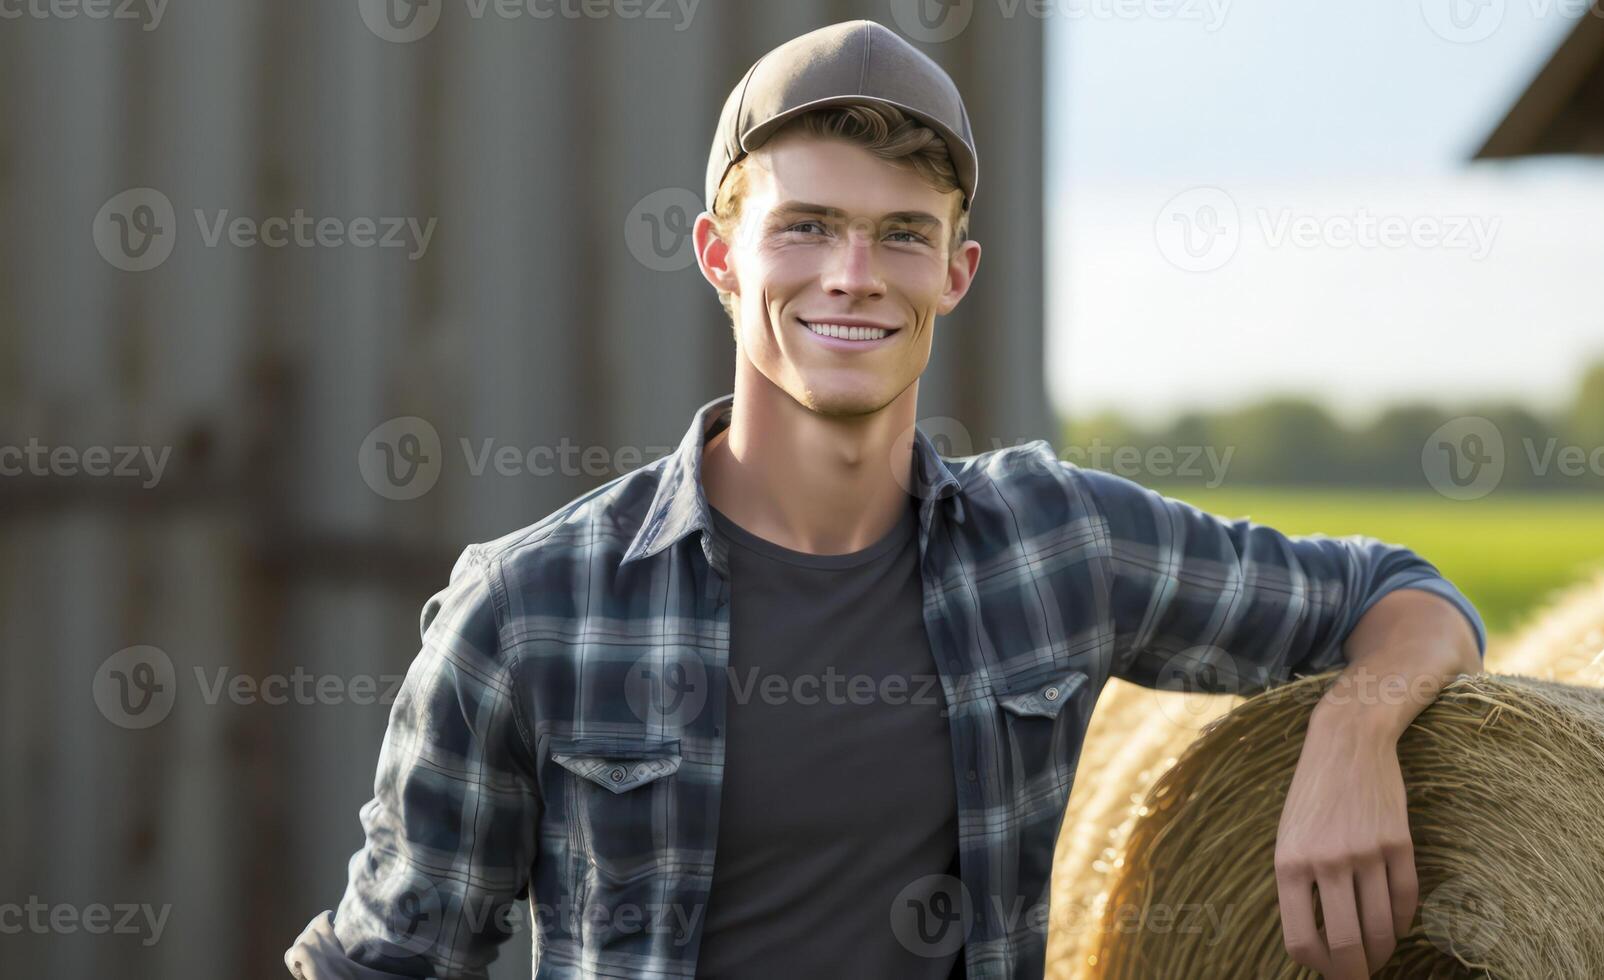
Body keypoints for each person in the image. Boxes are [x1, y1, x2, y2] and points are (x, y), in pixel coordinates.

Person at [285, 19, 1484, 980]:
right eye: (804, 227)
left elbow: (1401, 595)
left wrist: (1349, 733)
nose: (851, 276)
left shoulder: (1055, 546)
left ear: (954, 272)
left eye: (900, 235)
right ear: (718, 254)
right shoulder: (533, 606)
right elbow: (388, 957)